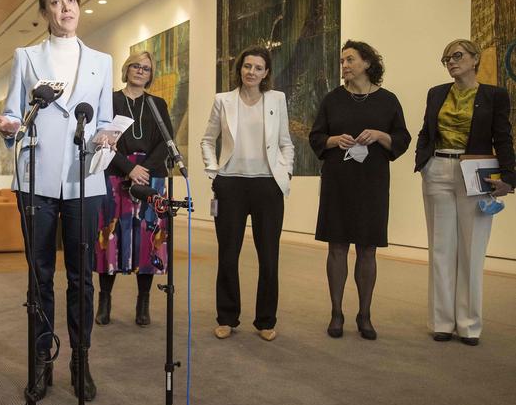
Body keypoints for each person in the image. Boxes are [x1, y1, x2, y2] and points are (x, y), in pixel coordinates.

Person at [0, 0, 112, 400]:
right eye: (55, 3)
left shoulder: (102, 60)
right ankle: (41, 360)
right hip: (36, 177)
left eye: (71, 1)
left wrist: (107, 136)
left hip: (85, 178)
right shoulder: (26, 57)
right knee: (39, 275)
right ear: (44, 13)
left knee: (82, 279)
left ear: (79, 7)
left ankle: (80, 360)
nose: (65, 8)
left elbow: (104, 120)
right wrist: (9, 129)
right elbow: (12, 117)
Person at [415, 39, 515, 346]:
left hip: (476, 174)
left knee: (472, 251)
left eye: (457, 56)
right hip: (438, 171)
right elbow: (426, 131)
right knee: (441, 249)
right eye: (446, 58)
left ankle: (469, 324)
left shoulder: (494, 95)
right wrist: (423, 160)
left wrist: (510, 177)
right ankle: (442, 321)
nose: (450, 62)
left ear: (475, 59)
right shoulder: (436, 94)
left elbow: (503, 137)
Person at [309, 40, 411, 341]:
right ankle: (336, 313)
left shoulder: (388, 101)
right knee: (337, 247)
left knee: (368, 248)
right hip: (338, 182)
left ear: (367, 63)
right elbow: (316, 137)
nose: (345, 65)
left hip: (373, 184)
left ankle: (365, 314)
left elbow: (402, 139)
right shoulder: (332, 100)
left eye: (350, 59)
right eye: (342, 61)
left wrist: (380, 135)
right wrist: (333, 140)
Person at [201, 45, 294, 342]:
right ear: (239, 68)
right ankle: (227, 317)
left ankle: (266, 320)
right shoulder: (223, 100)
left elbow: (285, 142)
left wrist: (286, 170)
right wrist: (214, 170)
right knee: (228, 254)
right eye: (247, 66)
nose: (251, 72)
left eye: (258, 68)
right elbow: (207, 140)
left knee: (269, 256)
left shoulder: (276, 99)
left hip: (267, 186)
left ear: (266, 73)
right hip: (230, 185)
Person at [94, 52, 173, 327]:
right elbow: (103, 140)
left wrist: (145, 170)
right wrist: (129, 168)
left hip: (151, 179)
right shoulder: (110, 101)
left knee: (148, 239)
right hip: (115, 175)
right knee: (110, 239)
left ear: (151, 75)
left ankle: (143, 302)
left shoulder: (157, 104)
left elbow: (166, 142)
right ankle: (104, 301)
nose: (140, 71)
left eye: (146, 68)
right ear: (127, 69)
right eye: (136, 66)